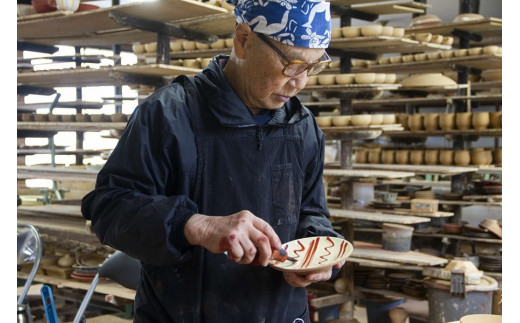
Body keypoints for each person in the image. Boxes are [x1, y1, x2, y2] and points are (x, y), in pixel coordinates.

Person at [81, 0, 346, 321]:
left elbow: (311, 211)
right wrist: (195, 226)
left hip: (282, 312)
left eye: (313, 66)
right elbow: (109, 208)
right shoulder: (169, 114)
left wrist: (316, 246)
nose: (300, 81)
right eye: (291, 64)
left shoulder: (302, 127)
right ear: (244, 40)